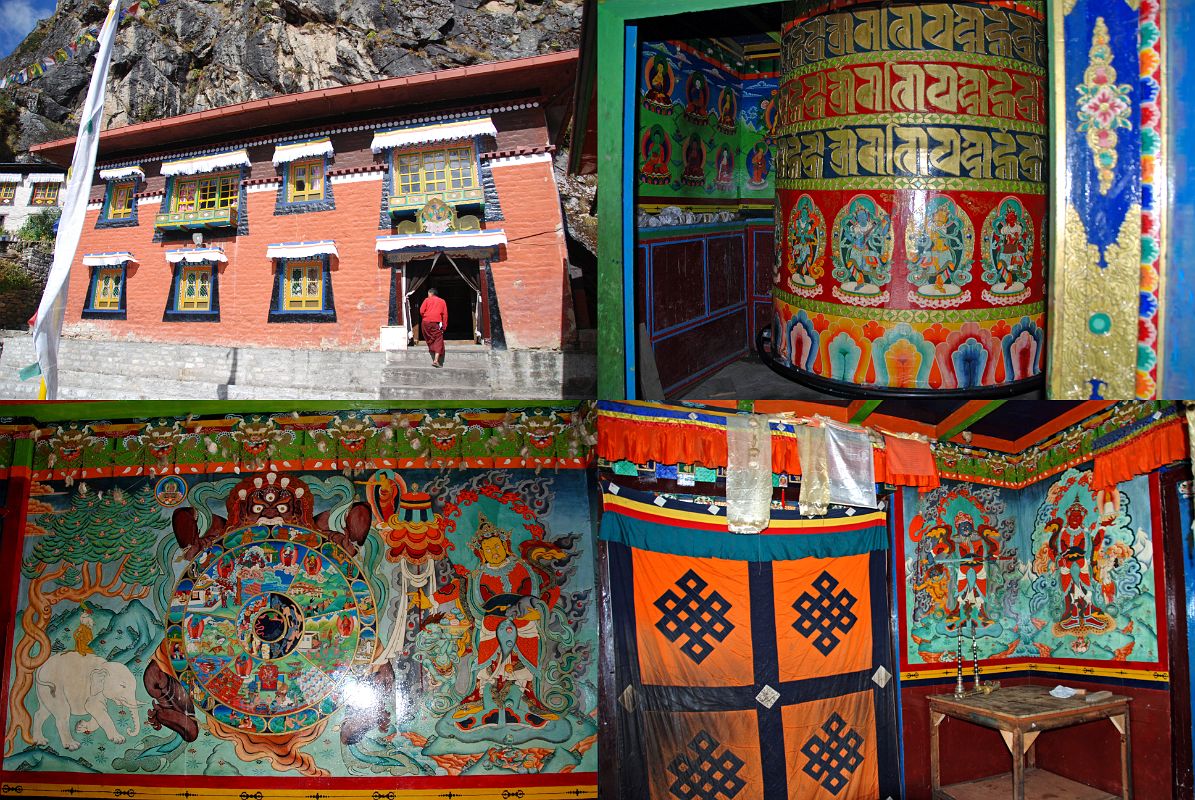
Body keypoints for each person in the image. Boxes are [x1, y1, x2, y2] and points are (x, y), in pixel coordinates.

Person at [419, 287, 448, 368]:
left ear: (430, 293)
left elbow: (421, 311)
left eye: (428, 294)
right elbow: (445, 315)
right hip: (436, 322)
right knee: (439, 339)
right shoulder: (442, 301)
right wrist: (444, 327)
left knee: (428, 336)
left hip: (425, 322)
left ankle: (432, 349)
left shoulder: (427, 300)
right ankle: (436, 360)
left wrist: (426, 316)